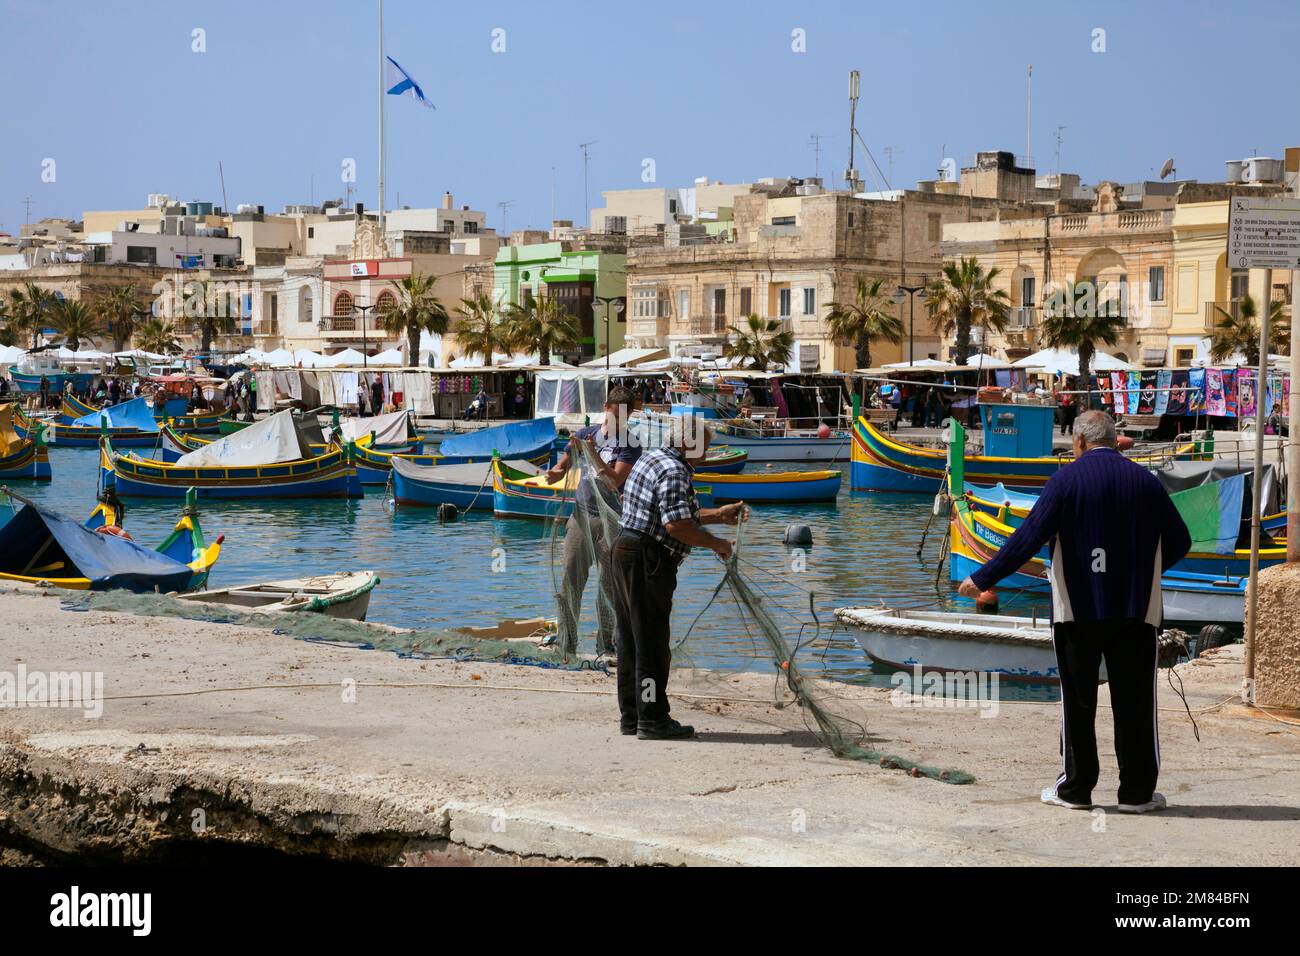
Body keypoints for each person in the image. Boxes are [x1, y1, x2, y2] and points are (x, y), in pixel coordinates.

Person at [958, 410, 1191, 814]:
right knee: (1136, 703)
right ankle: (1136, 793)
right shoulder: (1145, 482)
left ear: (1080, 442)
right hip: (1136, 611)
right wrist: (1142, 572)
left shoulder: (1065, 481)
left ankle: (1077, 790)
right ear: (1116, 440)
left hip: (1076, 613)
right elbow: (1180, 541)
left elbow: (1027, 538)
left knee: (1078, 702)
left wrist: (982, 578)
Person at [611, 417, 746, 740]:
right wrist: (718, 544)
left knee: (630, 639)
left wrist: (718, 515)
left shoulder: (653, 458)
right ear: (688, 443)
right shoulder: (675, 471)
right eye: (705, 446)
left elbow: (671, 512)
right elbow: (677, 527)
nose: (708, 453)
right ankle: (653, 720)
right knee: (652, 643)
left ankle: (633, 716)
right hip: (648, 558)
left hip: (625, 550)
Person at [546, 386, 642, 656]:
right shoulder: (586, 434)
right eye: (613, 415)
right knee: (571, 581)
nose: (616, 422)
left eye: (622, 417)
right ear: (606, 409)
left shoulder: (631, 444)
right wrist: (555, 472)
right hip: (580, 516)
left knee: (609, 586)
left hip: (611, 521)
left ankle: (608, 645)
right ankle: (567, 644)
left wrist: (593, 453)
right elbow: (564, 464)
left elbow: (614, 481)